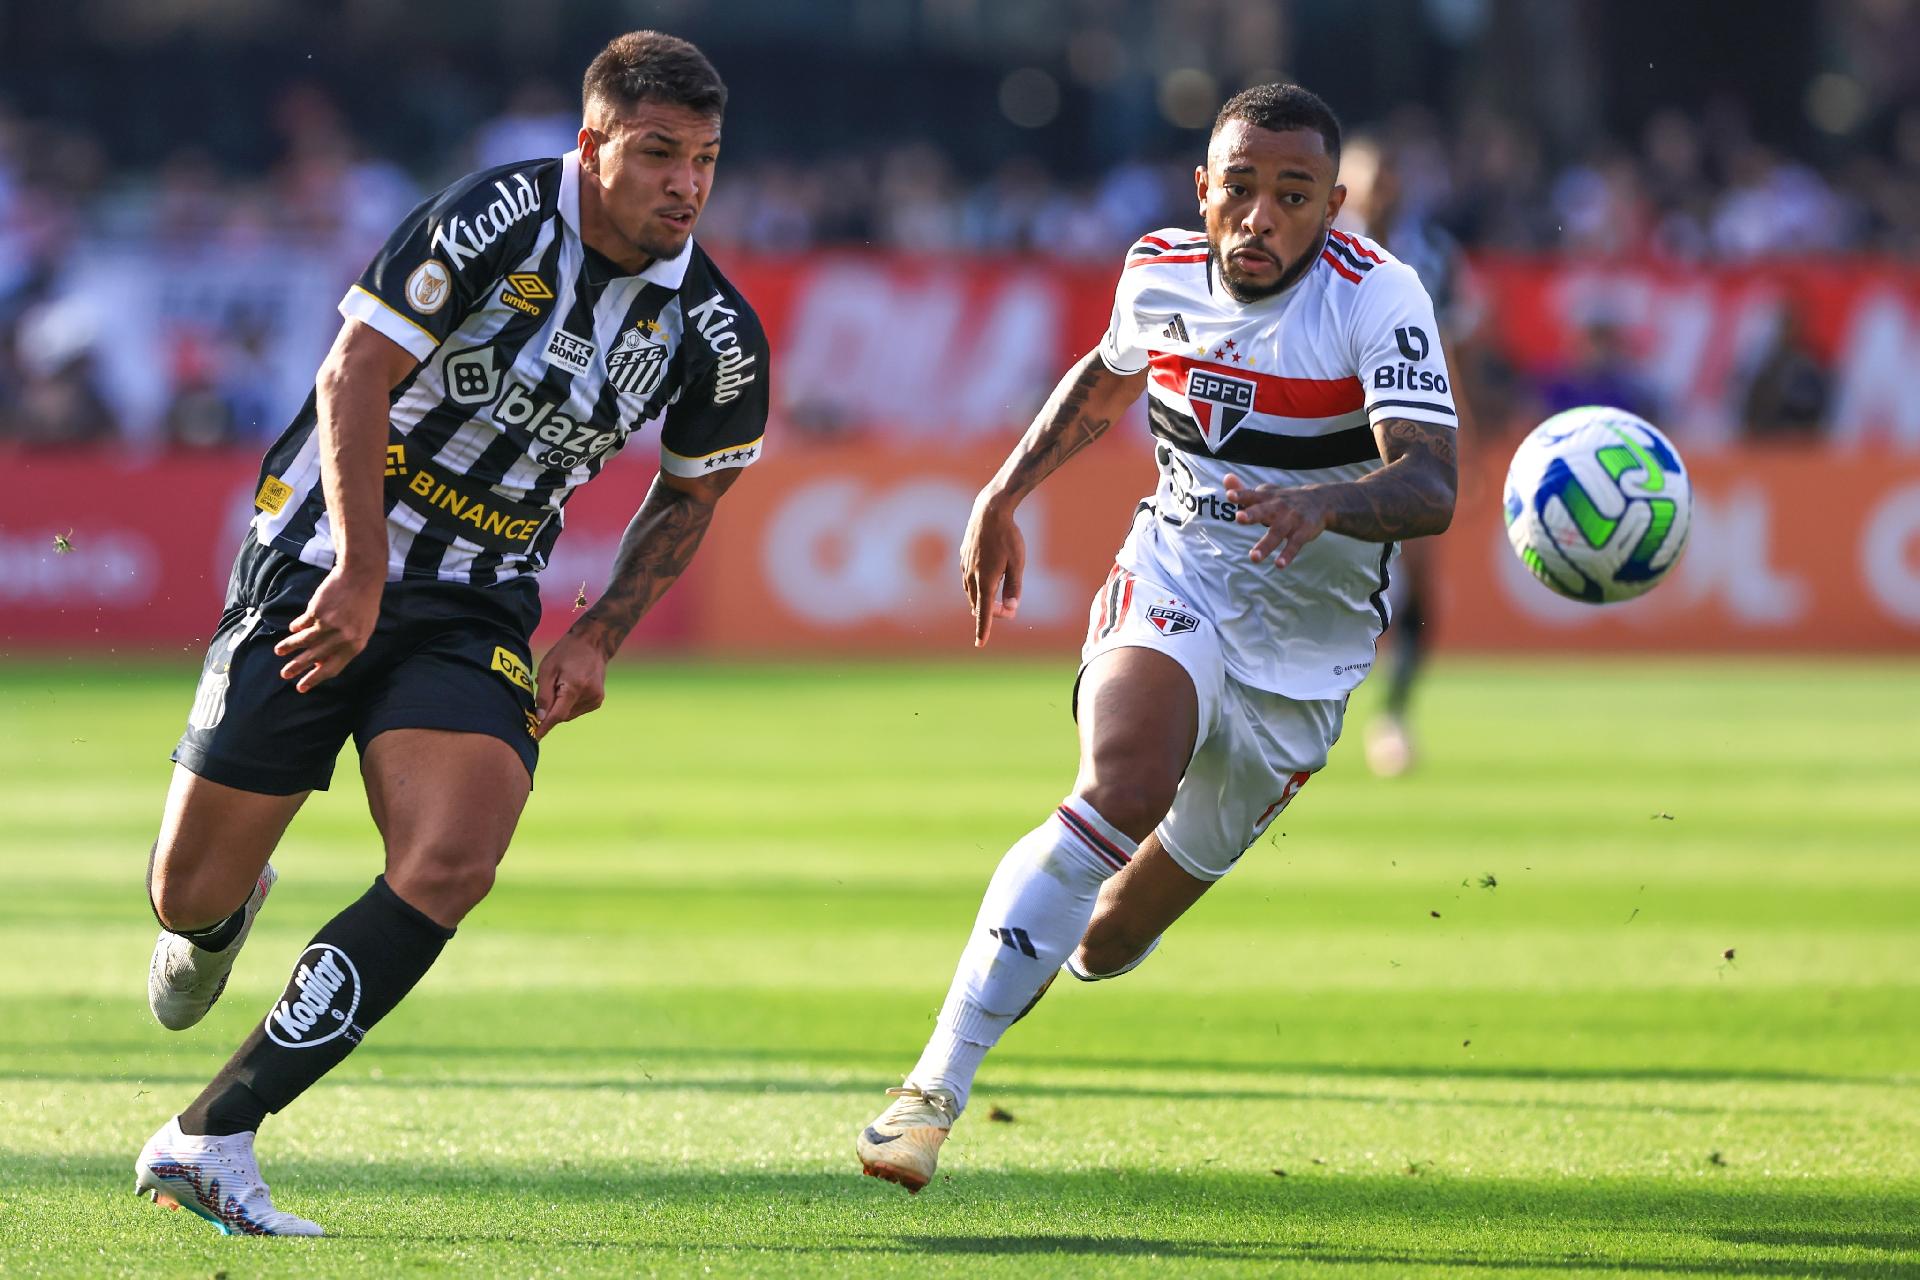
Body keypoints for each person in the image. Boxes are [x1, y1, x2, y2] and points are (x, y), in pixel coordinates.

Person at [134, 30, 768, 1236]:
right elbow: (352, 374)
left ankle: (214, 1133)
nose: (685, 184)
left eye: (705, 159)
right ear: (593, 148)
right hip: (322, 562)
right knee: (184, 888)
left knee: (455, 855)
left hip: (476, 602)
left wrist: (598, 637)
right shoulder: (502, 219)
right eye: (656, 155)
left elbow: (694, 489)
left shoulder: (717, 333)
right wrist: (363, 571)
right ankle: (218, 916)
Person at [854, 84, 1457, 1192]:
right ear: (1204, 189)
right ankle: (930, 1089)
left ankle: (1094, 921)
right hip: (1178, 571)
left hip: (1304, 657)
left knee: (1105, 940)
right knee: (1120, 784)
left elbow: (1432, 480)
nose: (1260, 217)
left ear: (1331, 206)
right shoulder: (1160, 271)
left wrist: (1329, 503)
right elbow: (1103, 377)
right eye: (1240, 187)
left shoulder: (1380, 296)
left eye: (1292, 195)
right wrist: (1002, 490)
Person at [1337, 135, 1479, 777]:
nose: (1383, 191)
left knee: (1419, 579)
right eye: (1372, 179)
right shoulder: (1316, 242)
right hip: (1330, 429)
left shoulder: (1435, 257)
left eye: (1390, 179)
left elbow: (1452, 353)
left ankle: (1392, 715)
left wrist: (1462, 439)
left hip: (1411, 427)